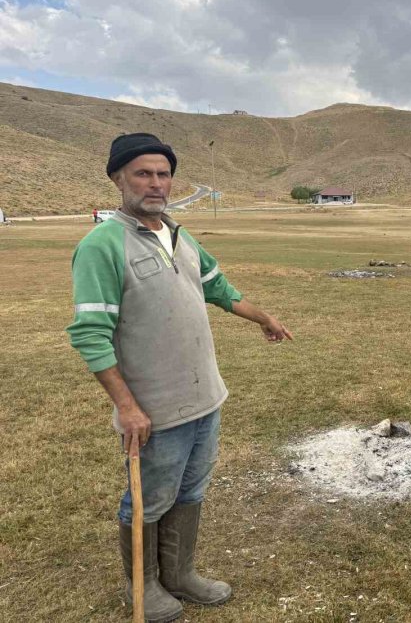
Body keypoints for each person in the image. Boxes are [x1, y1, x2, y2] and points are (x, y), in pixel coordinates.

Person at [67, 133, 293, 622]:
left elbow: (219, 289)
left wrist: (265, 318)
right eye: (143, 174)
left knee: (190, 492)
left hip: (205, 398)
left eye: (163, 174)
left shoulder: (179, 236)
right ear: (117, 179)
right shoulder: (102, 245)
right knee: (148, 499)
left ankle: (180, 574)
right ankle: (141, 587)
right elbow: (89, 334)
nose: (155, 183)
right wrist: (127, 406)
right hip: (155, 410)